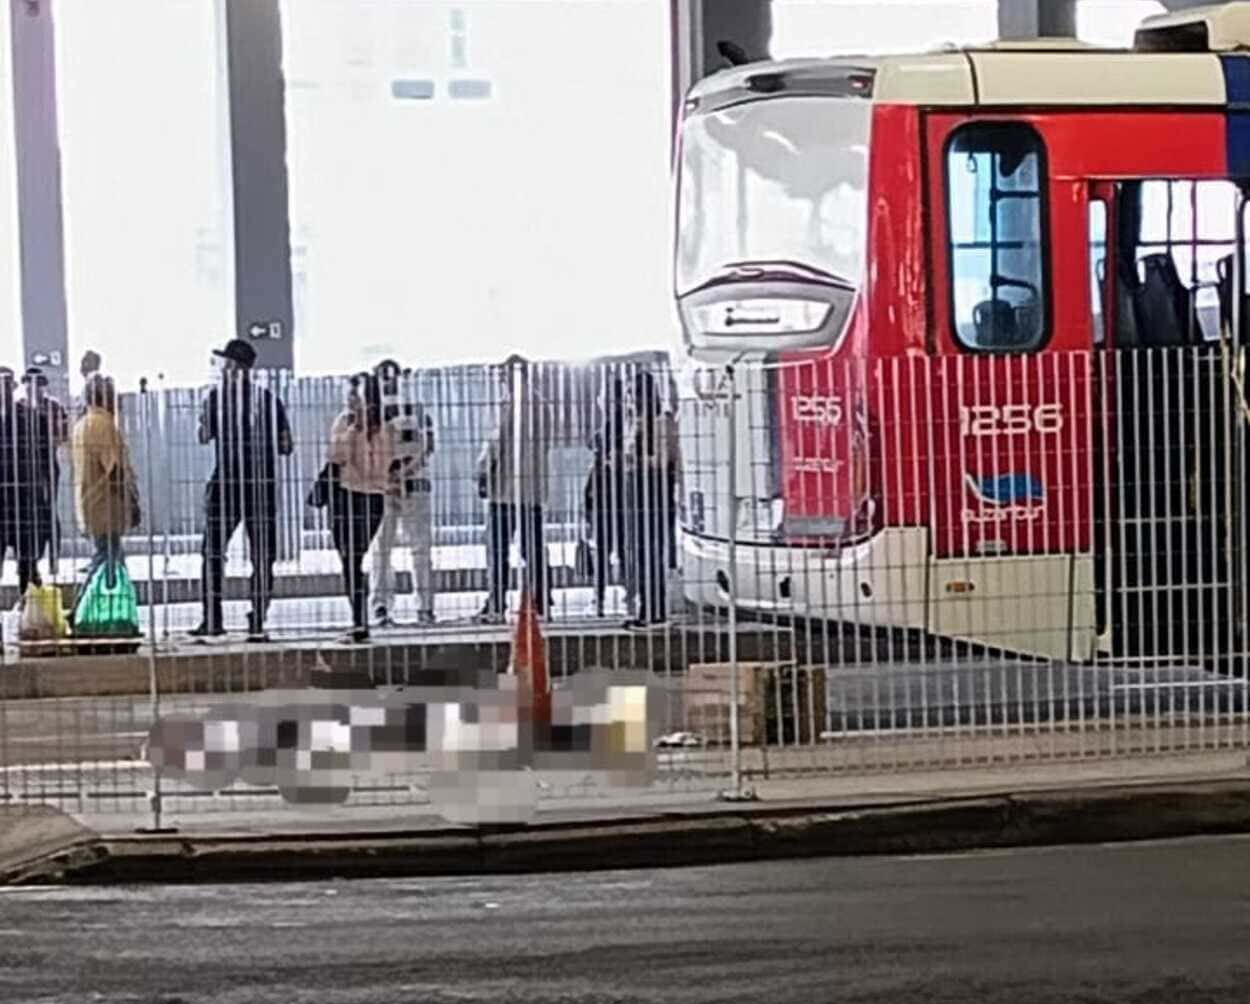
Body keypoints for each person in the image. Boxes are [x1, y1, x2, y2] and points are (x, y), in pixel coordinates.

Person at [194, 338, 292, 642]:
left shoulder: (216, 399)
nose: (222, 369)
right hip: (260, 486)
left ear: (236, 368)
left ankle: (213, 618)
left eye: (226, 364)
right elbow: (287, 446)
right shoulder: (268, 400)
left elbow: (203, 436)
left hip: (226, 484)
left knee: (212, 552)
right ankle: (257, 617)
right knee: (263, 554)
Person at [476, 353, 554, 622]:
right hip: (533, 489)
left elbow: (495, 443)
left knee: (497, 549)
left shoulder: (508, 404)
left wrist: (482, 472)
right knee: (533, 548)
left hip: (505, 488)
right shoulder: (543, 405)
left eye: (502, 373)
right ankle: (541, 601)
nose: (499, 377)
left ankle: (496, 604)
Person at [327, 372, 395, 644]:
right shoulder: (344, 422)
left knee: (356, 555)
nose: (353, 400)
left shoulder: (385, 430)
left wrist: (363, 435)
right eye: (351, 394)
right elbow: (335, 457)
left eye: (358, 394)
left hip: (370, 497)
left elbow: (373, 469)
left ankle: (360, 620)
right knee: (348, 559)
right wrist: (353, 431)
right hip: (345, 496)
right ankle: (358, 619)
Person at [369, 359, 437, 627]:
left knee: (420, 547)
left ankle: (425, 606)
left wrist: (405, 471)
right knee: (381, 549)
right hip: (382, 487)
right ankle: (381, 607)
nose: (389, 383)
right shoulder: (371, 414)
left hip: (414, 484)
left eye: (393, 377)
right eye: (383, 378)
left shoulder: (417, 411)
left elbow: (428, 446)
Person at [70, 375, 139, 598]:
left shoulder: (81, 424)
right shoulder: (103, 424)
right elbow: (114, 469)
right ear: (104, 396)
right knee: (105, 557)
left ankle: (118, 605)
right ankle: (83, 606)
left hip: (89, 501)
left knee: (111, 556)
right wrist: (131, 501)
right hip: (106, 503)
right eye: (112, 394)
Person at [626, 368, 681, 628]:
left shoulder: (661, 421)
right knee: (642, 553)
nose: (630, 401)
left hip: (655, 496)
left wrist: (634, 460)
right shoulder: (638, 422)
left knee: (652, 553)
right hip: (639, 495)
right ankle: (645, 607)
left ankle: (654, 609)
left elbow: (662, 460)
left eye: (634, 395)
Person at [17, 367, 69, 581]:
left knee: (49, 509)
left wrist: (46, 432)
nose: (33, 387)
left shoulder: (53, 406)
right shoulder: (19, 407)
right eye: (29, 382)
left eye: (38, 383)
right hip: (23, 466)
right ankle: (31, 559)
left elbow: (62, 436)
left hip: (47, 464)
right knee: (28, 512)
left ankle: (54, 556)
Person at [583, 371, 628, 618]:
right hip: (617, 496)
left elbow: (597, 446)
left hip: (607, 496)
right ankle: (629, 592)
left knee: (604, 548)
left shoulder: (613, 424)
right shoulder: (619, 422)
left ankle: (600, 596)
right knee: (621, 547)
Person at [0, 366, 42, 596]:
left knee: (26, 557)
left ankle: (28, 601)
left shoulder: (25, 415)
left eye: (7, 385)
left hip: (22, 495)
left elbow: (34, 452)